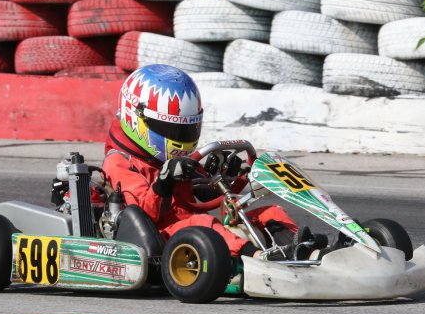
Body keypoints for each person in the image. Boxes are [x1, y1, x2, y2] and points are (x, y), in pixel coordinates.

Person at [102, 63, 319, 260]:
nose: (180, 137)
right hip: (161, 238)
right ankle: (260, 260)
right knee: (203, 223)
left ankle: (306, 251)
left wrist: (229, 177)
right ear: (136, 117)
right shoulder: (119, 162)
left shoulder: (171, 159)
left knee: (270, 212)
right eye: (172, 129)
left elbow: (209, 196)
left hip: (195, 232)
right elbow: (144, 215)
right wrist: (164, 182)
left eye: (186, 129)